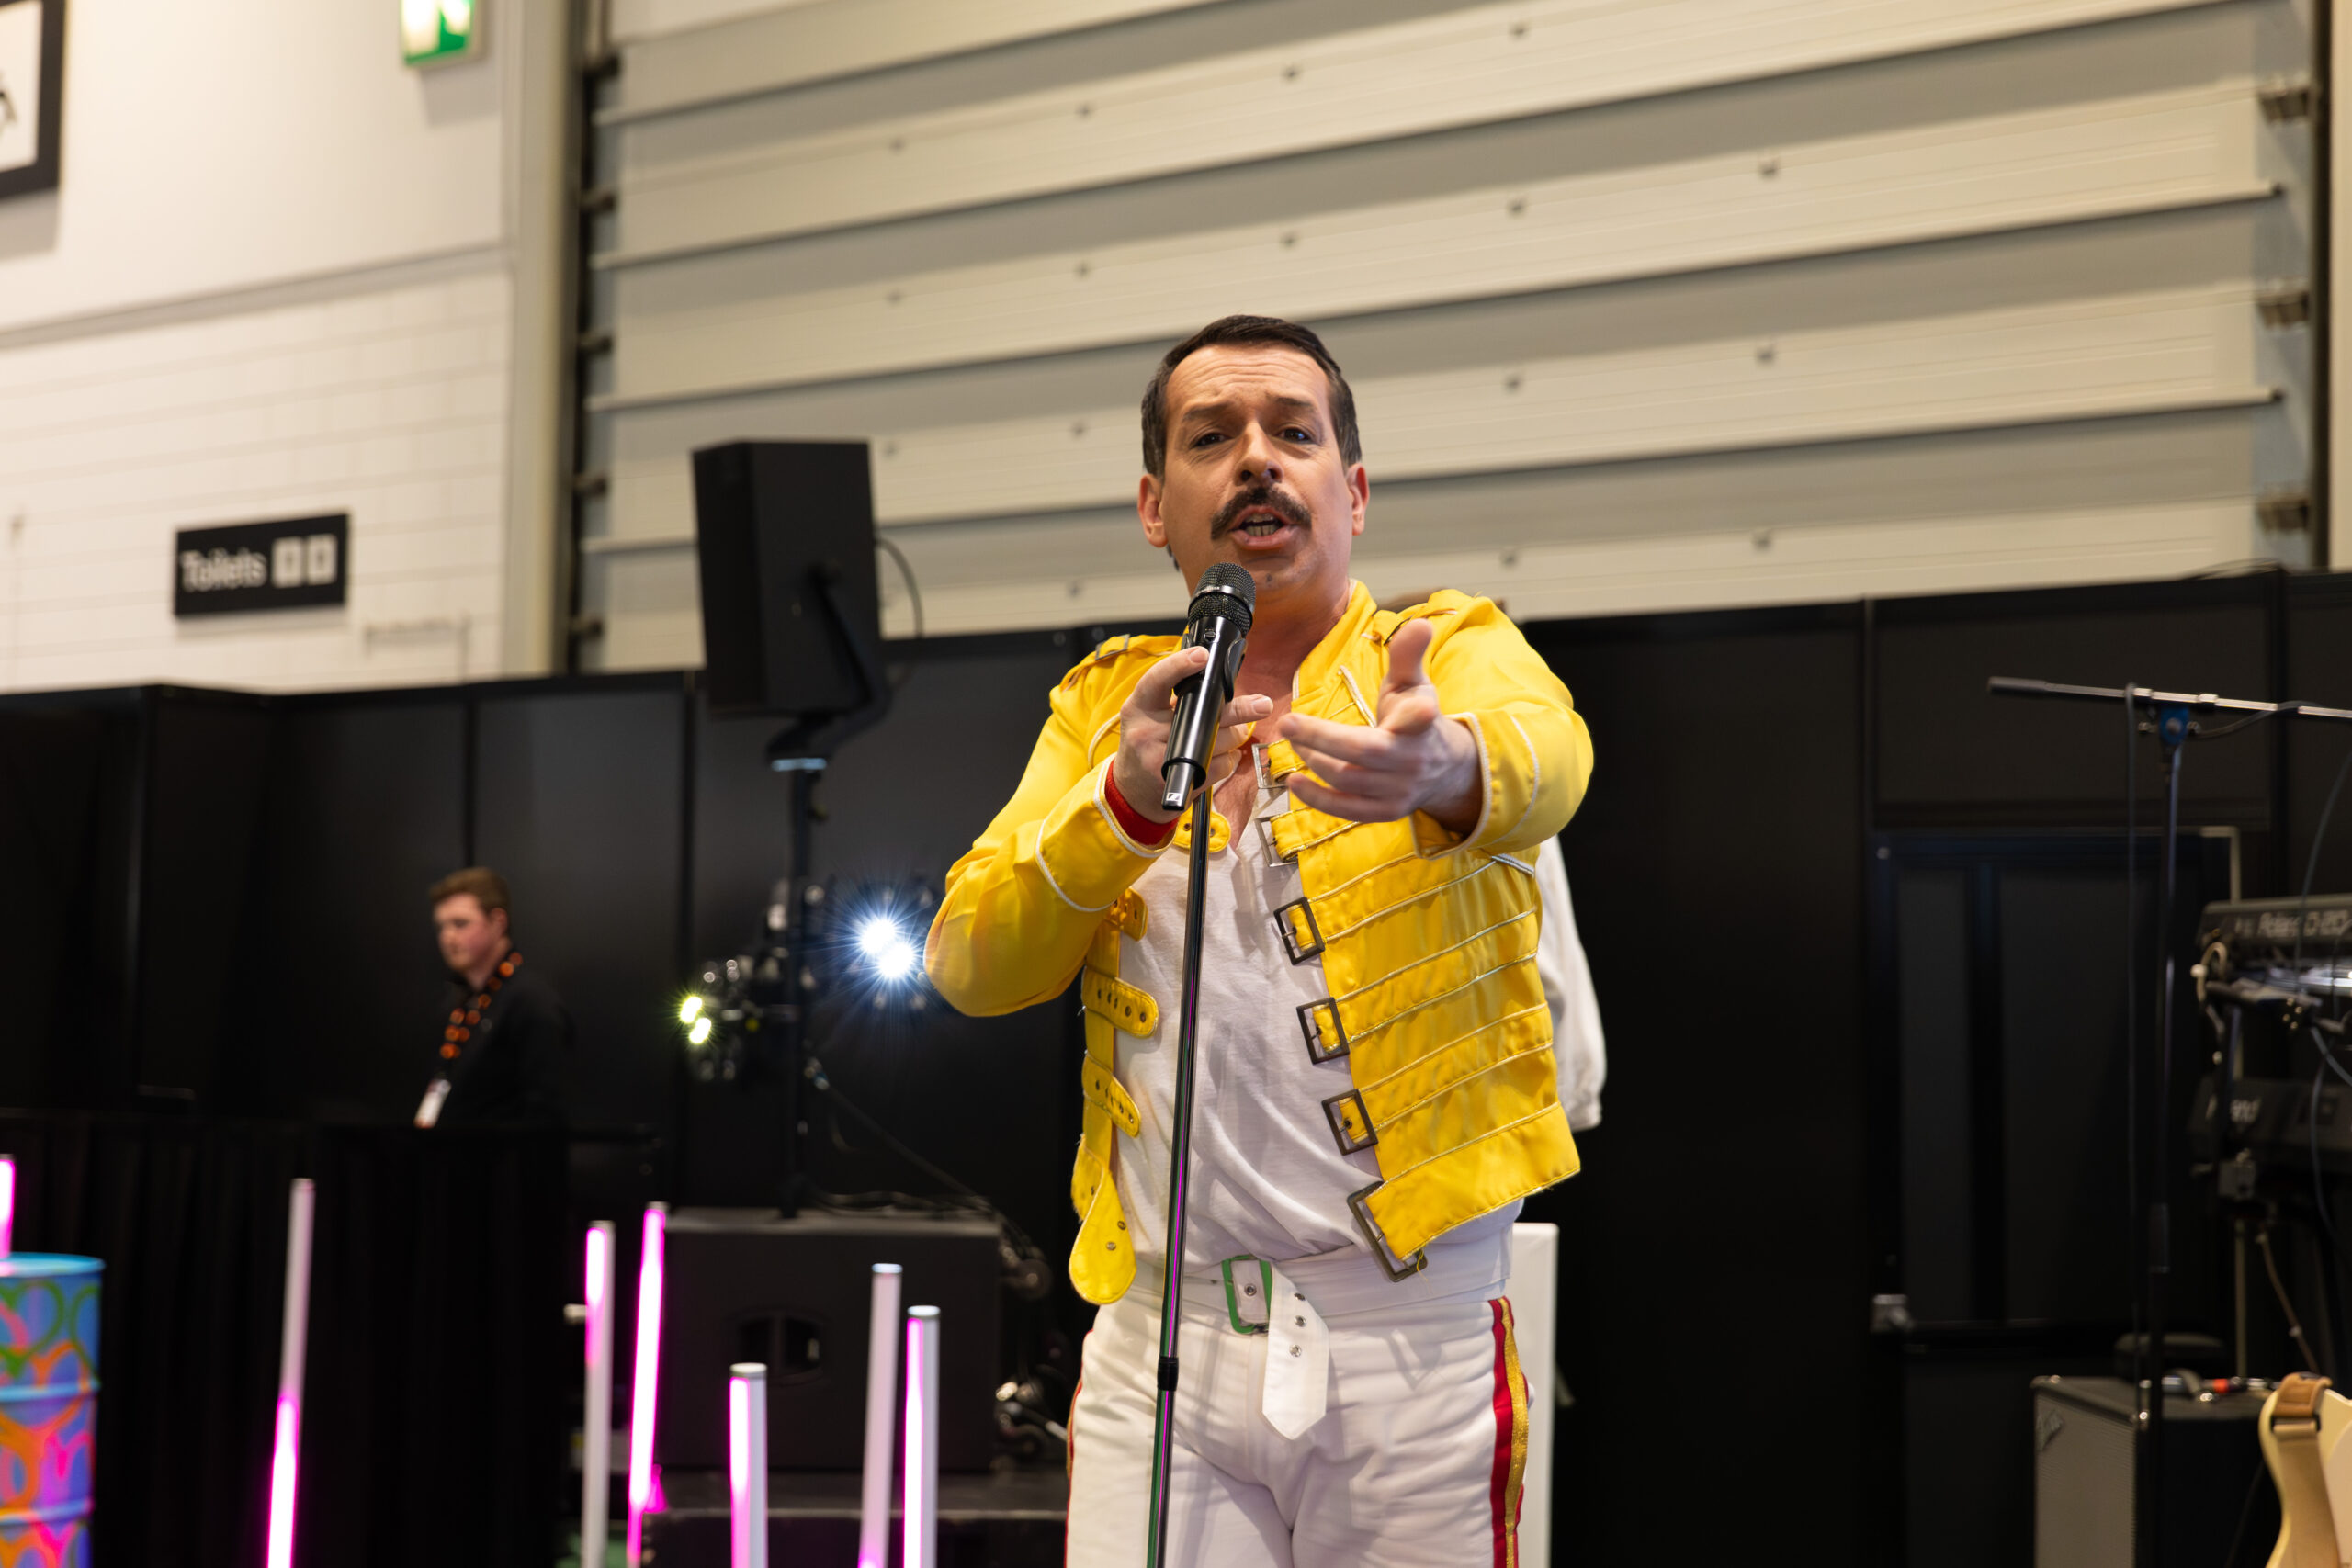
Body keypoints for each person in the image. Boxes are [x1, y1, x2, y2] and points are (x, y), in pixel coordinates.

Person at [925, 316, 1594, 1564]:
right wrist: (1117, 808)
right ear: (1153, 506)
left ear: (1353, 491)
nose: (1255, 460)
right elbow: (968, 962)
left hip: (1407, 1342)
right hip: (1159, 1337)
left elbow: (1551, 757)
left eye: (1294, 432)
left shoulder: (1448, 650)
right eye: (1210, 438)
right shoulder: (1105, 705)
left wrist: (1443, 766)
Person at [417, 867, 571, 1128]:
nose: (448, 937)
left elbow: (545, 1114)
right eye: (441, 926)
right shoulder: (460, 1002)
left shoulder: (531, 1003)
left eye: (460, 923)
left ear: (498, 922)